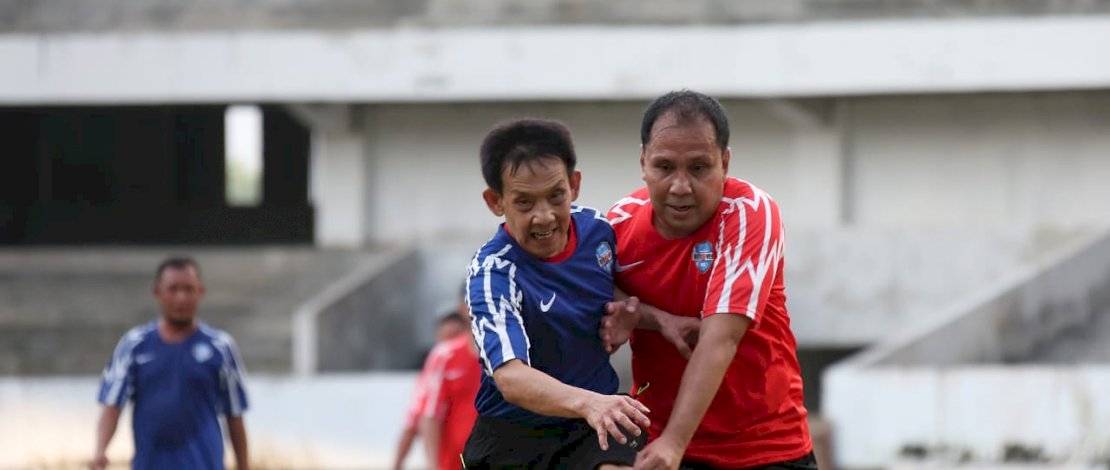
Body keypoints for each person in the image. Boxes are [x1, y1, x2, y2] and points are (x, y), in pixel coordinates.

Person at [603, 90, 816, 470]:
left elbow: (721, 337)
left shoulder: (750, 212)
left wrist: (674, 442)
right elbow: (592, 296)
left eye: (699, 168)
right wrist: (651, 318)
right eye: (664, 167)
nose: (680, 186)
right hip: (660, 447)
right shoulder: (617, 224)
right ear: (642, 162)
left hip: (766, 449)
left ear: (725, 163)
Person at [462, 118, 651, 469]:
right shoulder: (493, 272)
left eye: (556, 196)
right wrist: (590, 403)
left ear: (574, 185)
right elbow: (511, 378)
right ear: (495, 201)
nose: (544, 217)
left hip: (592, 428)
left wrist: (645, 317)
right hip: (512, 436)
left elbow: (614, 291)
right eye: (525, 203)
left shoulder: (599, 232)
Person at [92, 257, 249, 470]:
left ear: (200, 291)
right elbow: (112, 403)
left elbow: (234, 413)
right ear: (157, 292)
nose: (181, 297)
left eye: (188, 289)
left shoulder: (220, 347)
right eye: (173, 289)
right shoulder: (135, 345)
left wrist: (243, 465)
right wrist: (101, 451)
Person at [392, 312, 473, 470]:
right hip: (451, 460)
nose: (450, 344)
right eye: (447, 337)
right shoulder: (438, 368)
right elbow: (414, 422)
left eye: (456, 336)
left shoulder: (482, 362)